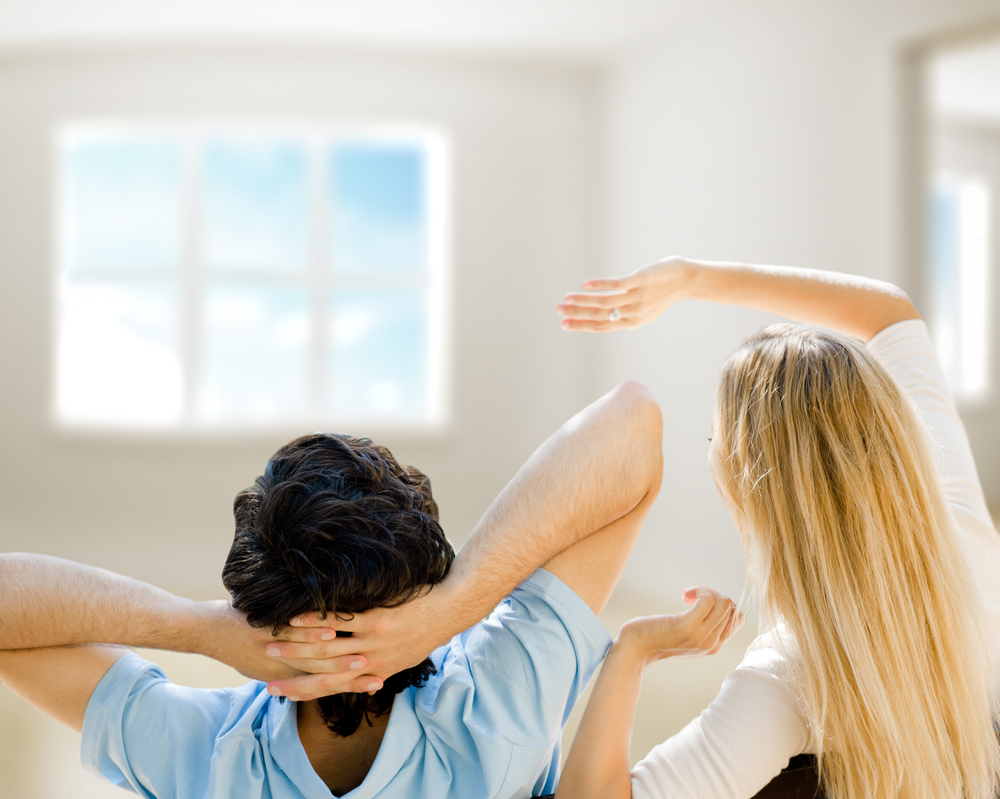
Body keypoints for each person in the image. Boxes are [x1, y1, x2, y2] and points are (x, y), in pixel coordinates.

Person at [0, 380, 740, 798]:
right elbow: (634, 428)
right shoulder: (497, 707)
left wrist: (200, 627)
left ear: (264, 616)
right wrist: (452, 607)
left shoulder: (204, 755)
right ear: (412, 595)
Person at [550, 256, 1000, 799]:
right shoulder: (966, 528)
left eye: (714, 439)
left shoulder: (791, 676)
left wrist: (630, 652)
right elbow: (890, 312)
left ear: (745, 477)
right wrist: (691, 278)